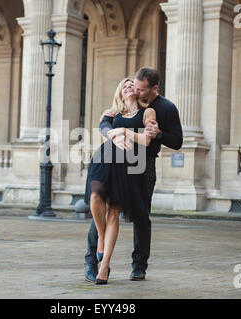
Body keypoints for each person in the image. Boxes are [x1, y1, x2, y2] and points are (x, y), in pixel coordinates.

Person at [85, 67, 183, 282]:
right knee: (99, 207)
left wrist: (157, 133)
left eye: (139, 88)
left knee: (140, 215)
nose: (135, 91)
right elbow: (104, 125)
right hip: (112, 161)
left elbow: (176, 141)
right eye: (131, 86)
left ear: (153, 89)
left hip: (143, 163)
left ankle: (139, 266)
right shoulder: (114, 111)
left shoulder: (163, 108)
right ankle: (92, 260)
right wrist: (110, 131)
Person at [84, 78, 157, 284]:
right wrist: (112, 135)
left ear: (138, 90)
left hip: (128, 164)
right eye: (124, 85)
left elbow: (146, 140)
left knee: (114, 210)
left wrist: (124, 132)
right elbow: (103, 128)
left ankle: (104, 265)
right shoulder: (112, 112)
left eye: (131, 84)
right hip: (104, 159)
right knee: (95, 196)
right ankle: (100, 236)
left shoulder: (147, 112)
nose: (128, 87)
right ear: (120, 92)